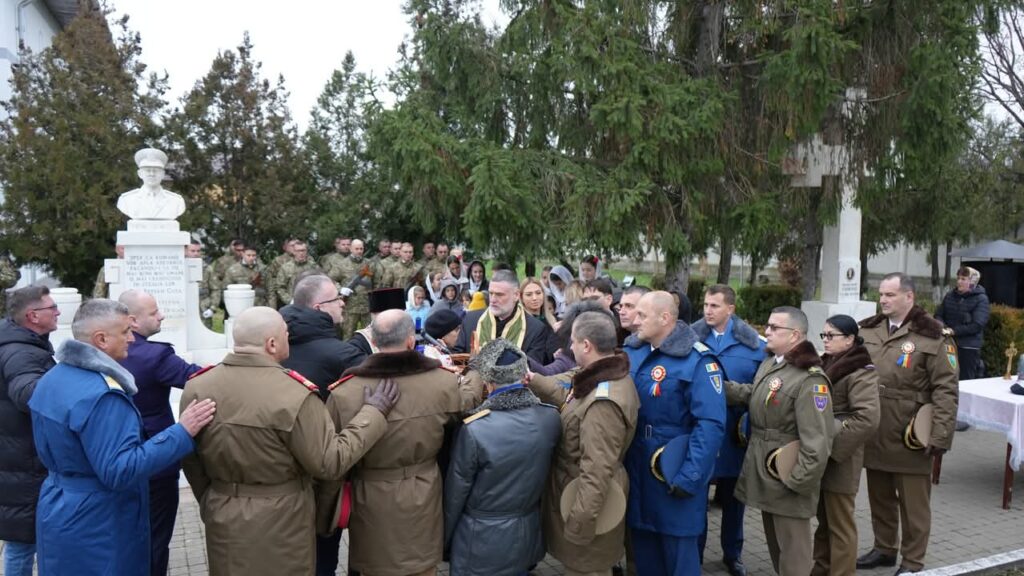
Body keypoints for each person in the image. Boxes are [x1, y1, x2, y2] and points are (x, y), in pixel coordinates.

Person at [181, 306, 399, 576]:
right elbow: (330, 463)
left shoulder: (198, 386)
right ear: (271, 344)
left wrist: (213, 499)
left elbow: (191, 458)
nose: (290, 338)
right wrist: (372, 413)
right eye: (286, 333)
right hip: (284, 519)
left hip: (223, 512)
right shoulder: (294, 394)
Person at [29, 299, 216, 575]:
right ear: (101, 339)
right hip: (100, 520)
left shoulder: (54, 377)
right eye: (125, 332)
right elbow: (120, 470)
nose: (132, 339)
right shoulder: (103, 395)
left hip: (58, 507)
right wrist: (181, 432)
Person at [329, 310, 482, 576]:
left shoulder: (344, 391)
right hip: (423, 493)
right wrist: (477, 370)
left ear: (374, 342)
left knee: (374, 567)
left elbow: (331, 459)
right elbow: (466, 401)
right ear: (411, 341)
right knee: (421, 567)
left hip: (370, 498)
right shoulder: (441, 382)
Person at [856, 273, 959, 575]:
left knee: (913, 505)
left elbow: (946, 389)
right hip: (875, 426)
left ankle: (913, 561)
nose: (883, 300)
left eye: (890, 295)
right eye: (881, 294)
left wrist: (940, 435)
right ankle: (884, 548)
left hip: (911, 432)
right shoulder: (870, 329)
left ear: (909, 297)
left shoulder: (935, 335)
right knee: (880, 496)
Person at [527, 312, 640, 576]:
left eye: (573, 343)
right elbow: (572, 400)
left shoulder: (603, 403)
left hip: (587, 507)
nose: (570, 348)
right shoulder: (602, 377)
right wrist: (535, 381)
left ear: (586, 345)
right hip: (583, 499)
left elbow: (596, 472)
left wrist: (579, 525)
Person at [724, 306, 834, 576]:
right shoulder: (773, 363)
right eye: (768, 326)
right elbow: (758, 395)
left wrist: (797, 481)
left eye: (775, 328)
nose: (767, 332)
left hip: (788, 474)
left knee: (794, 555)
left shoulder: (810, 379)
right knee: (777, 549)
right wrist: (719, 386)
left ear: (795, 335)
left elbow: (818, 440)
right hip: (766, 470)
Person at [623, 291, 726, 576]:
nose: (635, 319)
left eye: (642, 315)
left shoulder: (699, 361)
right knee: (645, 558)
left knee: (679, 559)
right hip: (639, 474)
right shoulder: (634, 352)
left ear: (665, 317)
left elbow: (710, 425)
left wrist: (689, 477)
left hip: (674, 475)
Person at [444, 339, 561, 576]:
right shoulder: (551, 418)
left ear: (488, 382)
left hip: (479, 539)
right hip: (528, 532)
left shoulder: (475, 428)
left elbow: (456, 494)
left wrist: (445, 539)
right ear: (524, 374)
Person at [117, 290, 202, 576]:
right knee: (154, 538)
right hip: (156, 463)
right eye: (154, 312)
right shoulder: (155, 356)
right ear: (132, 321)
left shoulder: (98, 352)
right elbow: (201, 379)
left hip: (112, 461)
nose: (161, 315)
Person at [690, 284, 766, 576]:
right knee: (697, 497)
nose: (708, 311)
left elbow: (760, 391)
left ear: (730, 309)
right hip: (701, 433)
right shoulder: (690, 340)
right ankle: (694, 552)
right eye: (706, 305)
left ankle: (732, 554)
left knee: (735, 499)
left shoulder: (755, 347)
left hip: (736, 436)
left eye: (715, 306)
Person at [813, 315, 880, 576]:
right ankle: (821, 568)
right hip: (823, 453)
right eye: (824, 335)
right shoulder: (828, 362)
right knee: (824, 520)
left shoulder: (860, 371)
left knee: (840, 524)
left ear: (850, 339)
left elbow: (867, 418)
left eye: (832, 336)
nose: (826, 340)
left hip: (841, 456)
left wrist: (831, 448)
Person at [0, 286, 58, 576]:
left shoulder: (21, 342)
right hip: (22, 461)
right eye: (52, 307)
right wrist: (68, 383)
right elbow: (27, 394)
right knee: (22, 542)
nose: (58, 311)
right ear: (33, 316)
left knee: (20, 539)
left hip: (18, 456)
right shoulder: (21, 351)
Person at [280, 275, 363, 399]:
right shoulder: (344, 355)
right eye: (336, 299)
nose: (342, 303)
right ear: (318, 308)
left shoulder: (277, 346)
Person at [454, 269, 556, 364]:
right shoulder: (471, 320)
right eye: (491, 293)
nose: (493, 300)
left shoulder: (536, 329)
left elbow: (531, 370)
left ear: (516, 295)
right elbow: (458, 360)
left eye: (499, 294)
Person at [935, 266, 990, 381]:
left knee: (965, 381)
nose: (959, 281)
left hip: (968, 347)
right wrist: (943, 327)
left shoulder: (981, 299)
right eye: (958, 278)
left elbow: (977, 325)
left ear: (972, 282)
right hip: (947, 343)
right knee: (945, 378)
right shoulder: (950, 295)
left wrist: (953, 331)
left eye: (963, 279)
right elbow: (939, 314)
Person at [116, 148, 186, 220]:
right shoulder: (126, 200)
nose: (152, 174)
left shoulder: (176, 201)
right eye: (147, 170)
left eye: (156, 170)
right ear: (140, 174)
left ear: (163, 174)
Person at [274, 241, 318, 307]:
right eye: (298, 251)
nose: (301, 253)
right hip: (293, 303)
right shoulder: (286, 268)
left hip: (311, 303)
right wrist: (290, 301)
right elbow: (280, 287)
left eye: (303, 250)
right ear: (294, 252)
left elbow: (321, 282)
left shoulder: (313, 266)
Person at [264, 238, 298, 309]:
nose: (295, 247)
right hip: (283, 298)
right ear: (285, 247)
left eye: (296, 245)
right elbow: (271, 283)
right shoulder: (278, 261)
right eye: (292, 245)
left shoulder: (308, 260)